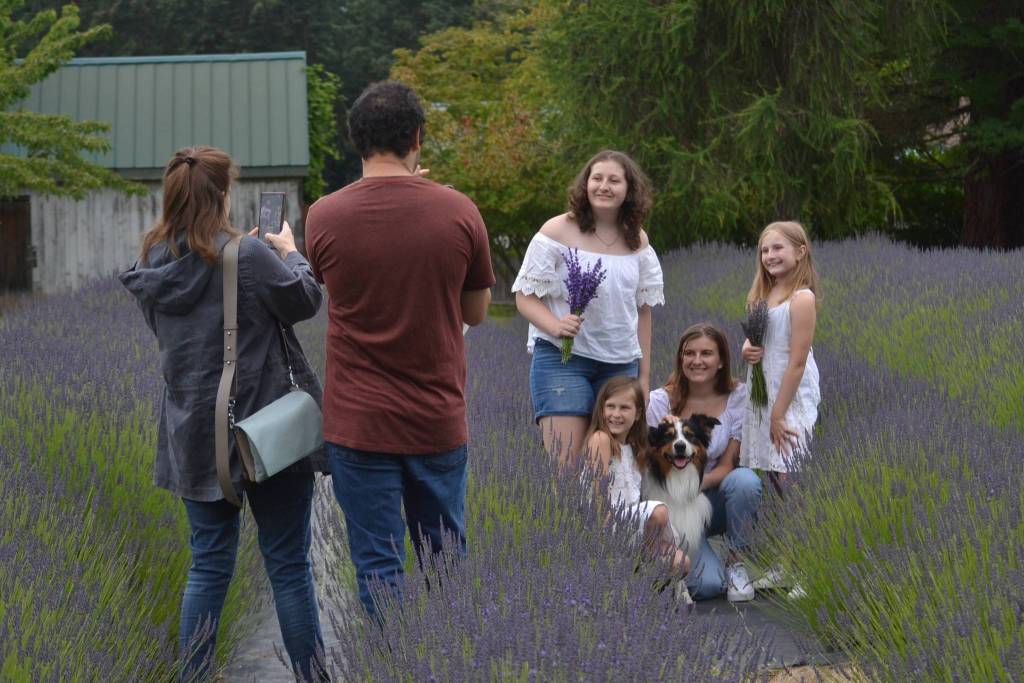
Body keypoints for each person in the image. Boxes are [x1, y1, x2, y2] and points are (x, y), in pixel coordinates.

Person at [119, 146, 329, 681]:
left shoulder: (151, 263)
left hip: (192, 436)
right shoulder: (250, 256)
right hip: (264, 432)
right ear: (223, 194)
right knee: (288, 569)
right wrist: (288, 251)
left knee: (208, 567)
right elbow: (305, 300)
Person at [304, 81, 495, 619]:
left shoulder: (324, 215)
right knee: (443, 561)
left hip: (358, 424)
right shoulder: (459, 211)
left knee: (378, 568)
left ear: (356, 141)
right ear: (417, 136)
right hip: (435, 417)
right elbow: (475, 314)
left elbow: (320, 287)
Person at [512, 150, 664, 466]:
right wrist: (555, 326)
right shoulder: (557, 231)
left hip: (620, 365)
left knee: (611, 465)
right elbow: (525, 296)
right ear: (585, 184)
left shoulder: (638, 241)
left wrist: (644, 378)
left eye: (614, 180)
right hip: (562, 359)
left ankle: (611, 518)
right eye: (597, 178)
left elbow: (644, 310)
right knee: (566, 469)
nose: (603, 186)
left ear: (629, 189)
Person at [647, 324, 763, 602]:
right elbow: (648, 460)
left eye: (706, 353)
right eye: (690, 353)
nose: (697, 360)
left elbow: (726, 466)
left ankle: (736, 562)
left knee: (746, 480)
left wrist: (693, 485)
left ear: (722, 360)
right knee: (708, 586)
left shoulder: (738, 398)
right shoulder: (660, 401)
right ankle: (669, 563)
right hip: (673, 503)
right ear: (680, 358)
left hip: (714, 494)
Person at [584, 376, 688, 583]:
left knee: (681, 562)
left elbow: (664, 447)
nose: (616, 414)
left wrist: (667, 424)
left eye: (624, 408)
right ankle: (638, 569)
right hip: (607, 525)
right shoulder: (601, 440)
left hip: (634, 528)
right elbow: (597, 494)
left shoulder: (634, 447)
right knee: (659, 512)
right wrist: (604, 538)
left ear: (638, 413)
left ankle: (644, 590)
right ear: (601, 409)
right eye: (610, 406)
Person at [739, 221, 821, 483]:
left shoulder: (801, 298)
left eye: (777, 248)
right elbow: (759, 337)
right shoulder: (763, 294)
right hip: (764, 389)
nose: (770, 256)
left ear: (800, 251)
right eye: (764, 251)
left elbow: (797, 362)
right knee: (769, 465)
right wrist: (747, 347)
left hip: (789, 392)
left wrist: (778, 413)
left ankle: (793, 519)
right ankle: (773, 521)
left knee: (788, 461)